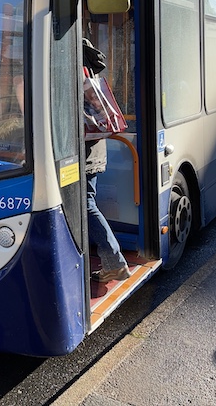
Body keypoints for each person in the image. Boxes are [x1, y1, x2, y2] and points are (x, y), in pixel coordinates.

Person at [83, 38, 131, 283]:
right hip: (94, 150)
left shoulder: (74, 73)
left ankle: (114, 262)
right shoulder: (89, 74)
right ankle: (111, 262)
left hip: (82, 153)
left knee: (85, 204)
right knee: (87, 203)